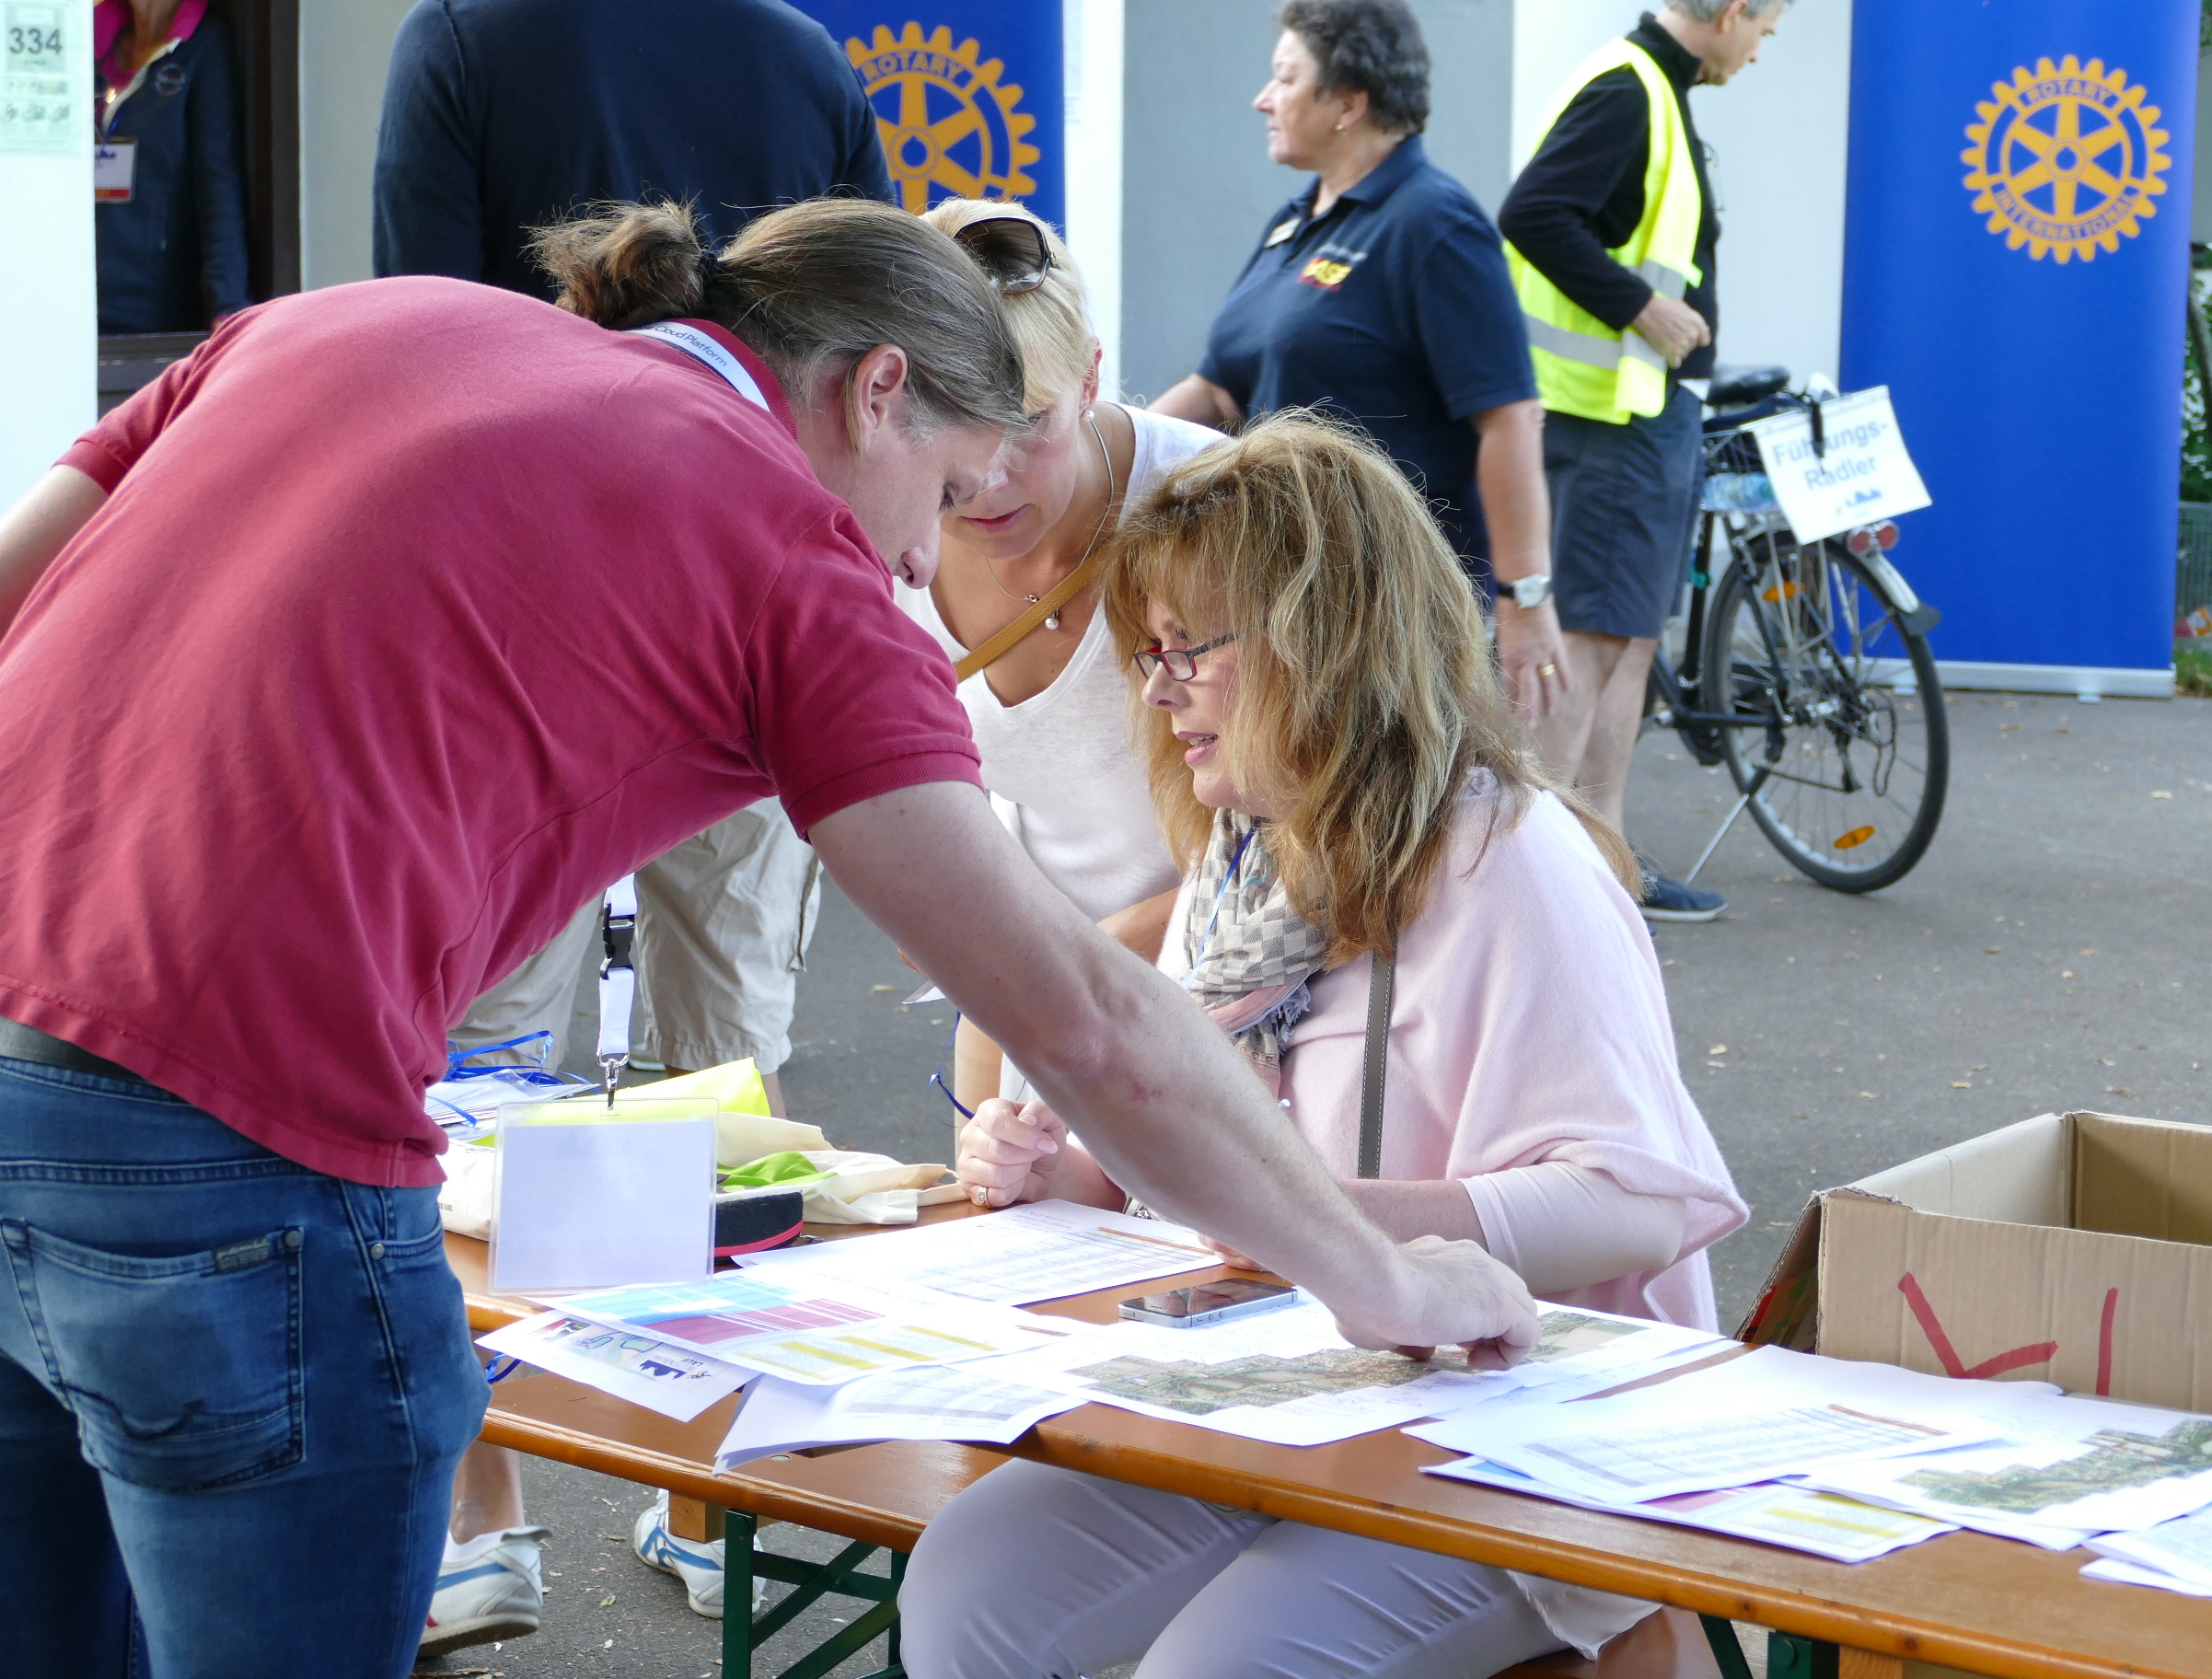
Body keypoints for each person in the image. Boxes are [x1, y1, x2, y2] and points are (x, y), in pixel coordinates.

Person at [0, 199, 1536, 1679]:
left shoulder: (352, 316)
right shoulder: (792, 553)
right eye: (948, 493)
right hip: (245, 1143)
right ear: (878, 389)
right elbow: (1080, 1012)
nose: (926, 566)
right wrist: (1375, 1278)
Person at [909, 413, 1747, 1679]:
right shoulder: (1244, 855)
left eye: (1191, 649)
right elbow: (1189, 1161)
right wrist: (1060, 1171)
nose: (1158, 690)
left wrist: (1320, 1227)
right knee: (968, 1582)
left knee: (1216, 1671)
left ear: (1324, 640)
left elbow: (1638, 1204)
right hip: (1290, 1386)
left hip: (1525, 1427)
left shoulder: (1508, 857)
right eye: (1150, 652)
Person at [372, 9, 898, 1630]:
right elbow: (873, 322)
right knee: (721, 1074)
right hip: (753, 605)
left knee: (477, 1084)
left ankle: (484, 1519)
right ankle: (706, 1493)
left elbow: (421, 327)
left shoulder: (464, 37)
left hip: (521, 618)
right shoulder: (802, 58)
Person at [1149, 0, 1570, 720]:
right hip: (1285, 590)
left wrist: (1525, 596)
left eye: (1285, 78)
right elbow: (1218, 389)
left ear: (1349, 103)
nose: (1262, 99)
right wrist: (1106, 448)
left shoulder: (1433, 222)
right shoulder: (1296, 219)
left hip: (1390, 611)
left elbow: (1509, 416)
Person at [896, 200, 1222, 1113]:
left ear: (1090, 380)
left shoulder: (1212, 507)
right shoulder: (882, 523)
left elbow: (1324, 827)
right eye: (951, 421)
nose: (988, 478)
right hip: (1025, 1013)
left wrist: (1068, 962)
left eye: (1028, 421)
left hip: (1232, 1002)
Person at [1496, 0, 1786, 923]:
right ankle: (1540, 880)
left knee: (1624, 639)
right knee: (1589, 641)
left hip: (1637, 412)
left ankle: (1601, 858)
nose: (1761, 49)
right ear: (1732, 11)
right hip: (1611, 417)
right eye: (1766, 28)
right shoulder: (1630, 89)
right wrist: (1641, 308)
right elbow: (1532, 213)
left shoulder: (1652, 87)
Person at [373, 0, 891, 293]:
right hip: (760, 448)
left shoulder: (453, 38)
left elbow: (423, 325)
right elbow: (888, 311)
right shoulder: (816, 60)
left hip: (541, 448)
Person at [93, 0, 251, 333]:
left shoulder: (203, 46)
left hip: (150, 316)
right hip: (67, 300)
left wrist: (229, 305)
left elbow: (218, 185)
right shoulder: (88, 42)